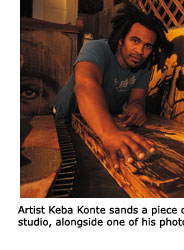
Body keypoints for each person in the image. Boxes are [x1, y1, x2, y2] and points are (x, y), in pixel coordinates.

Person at [53, 3, 172, 167]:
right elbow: (86, 85)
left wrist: (137, 108)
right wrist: (109, 132)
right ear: (121, 39)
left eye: (147, 46)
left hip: (103, 123)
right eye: (135, 41)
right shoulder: (96, 49)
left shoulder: (144, 65)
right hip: (64, 120)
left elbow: (138, 98)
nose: (140, 51)